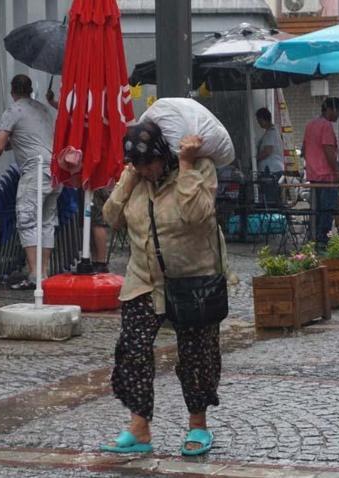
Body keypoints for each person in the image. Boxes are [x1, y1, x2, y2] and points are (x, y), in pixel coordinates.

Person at [100, 122, 225, 457]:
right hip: (143, 278)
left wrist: (186, 166)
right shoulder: (137, 179)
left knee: (196, 355)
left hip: (193, 278)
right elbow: (111, 217)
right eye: (137, 165)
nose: (145, 170)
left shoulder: (200, 169)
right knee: (133, 350)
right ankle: (139, 428)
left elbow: (198, 215)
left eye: (148, 164)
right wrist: (127, 180)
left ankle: (198, 425)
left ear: (163, 155)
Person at [0, 74, 61, 290]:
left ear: (12, 91)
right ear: (30, 91)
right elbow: (30, 139)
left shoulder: (13, 111)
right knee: (46, 222)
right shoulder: (44, 110)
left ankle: (34, 275)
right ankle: (44, 273)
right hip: (54, 172)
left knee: (27, 219)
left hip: (35, 171)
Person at [303, 97, 339, 244]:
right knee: (326, 211)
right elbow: (328, 150)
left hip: (313, 175)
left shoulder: (310, 125)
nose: (338, 116)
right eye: (337, 111)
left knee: (315, 211)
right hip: (326, 176)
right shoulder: (326, 126)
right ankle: (322, 241)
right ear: (331, 109)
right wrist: (337, 170)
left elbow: (303, 149)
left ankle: (312, 238)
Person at [255, 107, 285, 175]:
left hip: (271, 170)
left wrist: (255, 159)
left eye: (259, 120)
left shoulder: (271, 133)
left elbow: (267, 151)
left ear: (263, 119)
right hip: (273, 169)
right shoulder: (271, 132)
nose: (258, 123)